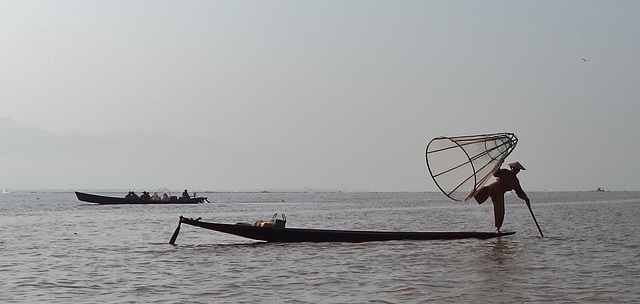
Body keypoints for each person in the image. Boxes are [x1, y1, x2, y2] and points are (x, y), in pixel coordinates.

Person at [474, 162, 530, 232]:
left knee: (500, 211)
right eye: (515, 169)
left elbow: (519, 192)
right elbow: (495, 173)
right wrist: (498, 165)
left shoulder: (515, 181)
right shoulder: (505, 172)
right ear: (512, 168)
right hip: (494, 187)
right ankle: (472, 193)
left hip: (500, 194)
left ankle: (498, 228)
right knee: (480, 193)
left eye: (518, 170)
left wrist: (526, 198)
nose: (516, 171)